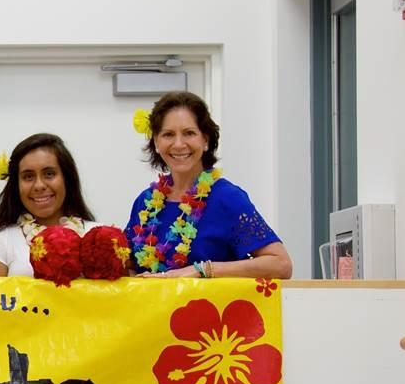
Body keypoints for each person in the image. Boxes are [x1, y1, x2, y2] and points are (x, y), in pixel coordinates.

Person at [125, 91, 292, 278]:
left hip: (210, 307)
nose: (179, 144)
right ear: (156, 142)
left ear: (205, 140)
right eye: (168, 134)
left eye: (189, 133)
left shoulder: (227, 198)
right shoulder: (145, 202)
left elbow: (281, 264)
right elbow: (129, 263)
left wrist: (202, 270)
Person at [0, 134, 100, 276]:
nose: (39, 185)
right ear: (16, 185)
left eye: (49, 174)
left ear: (67, 178)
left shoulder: (98, 237)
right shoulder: (1, 244)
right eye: (28, 176)